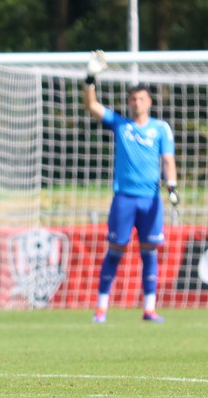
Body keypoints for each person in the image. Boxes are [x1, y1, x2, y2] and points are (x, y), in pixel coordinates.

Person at [83, 50, 178, 324]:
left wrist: (171, 186)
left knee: (149, 252)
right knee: (115, 251)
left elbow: (168, 160)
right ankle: (101, 307)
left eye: (141, 98)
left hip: (150, 200)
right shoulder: (120, 125)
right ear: (129, 103)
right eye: (133, 99)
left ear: (149, 102)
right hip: (124, 198)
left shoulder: (160, 129)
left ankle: (149, 308)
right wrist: (90, 78)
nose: (137, 103)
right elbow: (92, 106)